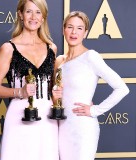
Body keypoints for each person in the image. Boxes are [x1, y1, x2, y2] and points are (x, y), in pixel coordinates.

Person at [52, 11, 129, 160]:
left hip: (83, 128)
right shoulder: (59, 61)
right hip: (61, 128)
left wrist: (95, 110)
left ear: (85, 33)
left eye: (80, 28)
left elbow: (122, 88)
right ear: (63, 30)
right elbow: (57, 99)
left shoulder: (90, 57)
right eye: (70, 27)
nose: (74, 32)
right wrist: (55, 98)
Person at [0, 0, 59, 160]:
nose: (33, 17)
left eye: (38, 12)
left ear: (43, 17)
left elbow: (52, 85)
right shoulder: (8, 48)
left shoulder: (51, 48)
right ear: (20, 15)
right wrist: (19, 91)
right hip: (19, 115)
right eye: (28, 11)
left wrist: (57, 93)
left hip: (47, 117)